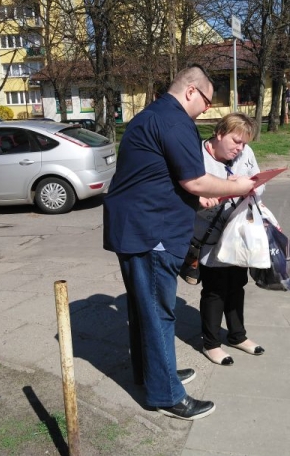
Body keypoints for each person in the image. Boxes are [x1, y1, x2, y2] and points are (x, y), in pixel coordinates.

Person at [103, 65, 257, 421]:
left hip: (138, 227)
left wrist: (194, 200)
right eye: (206, 101)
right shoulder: (174, 121)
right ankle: (167, 395)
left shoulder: (154, 116)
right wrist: (237, 186)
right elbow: (195, 181)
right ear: (191, 91)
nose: (206, 109)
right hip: (150, 232)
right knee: (159, 312)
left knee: (144, 309)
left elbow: (160, 176)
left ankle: (154, 375)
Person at [193, 113, 265, 367]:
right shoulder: (196, 155)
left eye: (244, 143)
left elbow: (259, 184)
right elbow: (186, 192)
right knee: (214, 290)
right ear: (219, 133)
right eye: (236, 141)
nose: (240, 148)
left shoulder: (246, 154)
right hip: (210, 236)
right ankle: (211, 343)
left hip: (239, 234)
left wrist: (248, 186)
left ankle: (237, 336)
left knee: (237, 285)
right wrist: (222, 188)